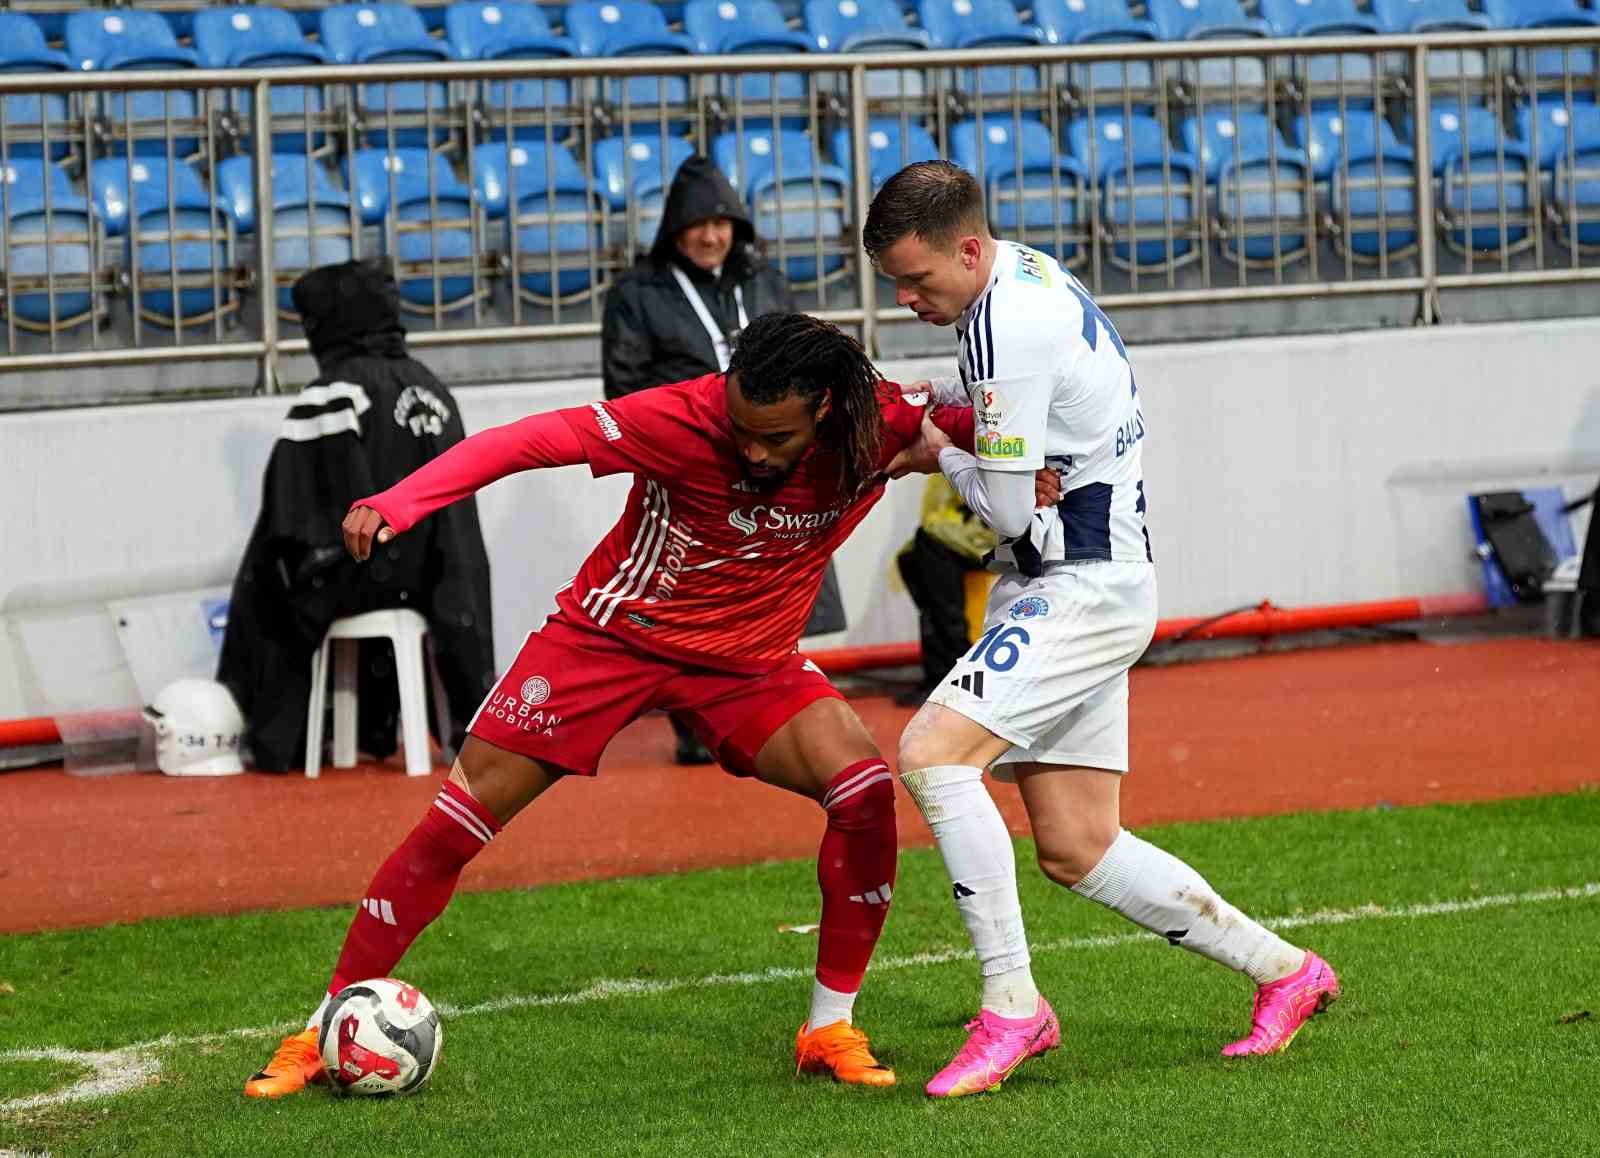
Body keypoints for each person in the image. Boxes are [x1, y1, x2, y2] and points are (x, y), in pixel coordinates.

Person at [242, 312, 1058, 1098]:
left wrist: (1034, 468)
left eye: (773, 437)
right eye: (740, 427)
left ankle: (827, 1030)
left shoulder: (881, 422)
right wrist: (403, 500)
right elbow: (525, 441)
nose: (750, 448)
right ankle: (316, 1034)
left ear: (824, 408)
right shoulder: (680, 417)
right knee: (454, 826)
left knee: (863, 795)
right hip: (611, 643)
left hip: (750, 663)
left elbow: (995, 417)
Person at [865, 161, 1341, 1098]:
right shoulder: (1023, 276)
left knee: (931, 753)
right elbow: (1027, 447)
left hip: (1077, 590)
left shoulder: (1006, 323)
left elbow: (1000, 513)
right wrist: (972, 436)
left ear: (967, 249)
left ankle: (1013, 1008)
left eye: (918, 279)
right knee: (1077, 845)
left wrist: (942, 449)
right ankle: (1288, 972)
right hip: (1073, 582)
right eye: (895, 284)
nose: (906, 299)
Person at [602, 156, 844, 764]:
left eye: (722, 222)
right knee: (691, 599)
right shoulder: (638, 293)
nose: (711, 236)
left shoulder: (763, 282)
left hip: (776, 464)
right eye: (697, 224)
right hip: (695, 473)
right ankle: (695, 721)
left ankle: (766, 710)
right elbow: (623, 389)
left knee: (773, 592)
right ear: (673, 228)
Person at [217, 259, 495, 772]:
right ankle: (435, 726)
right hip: (443, 579)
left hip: (370, 572)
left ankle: (277, 740)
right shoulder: (432, 387)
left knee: (268, 583)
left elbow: (296, 515)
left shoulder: (334, 392)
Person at [895, 475, 997, 706]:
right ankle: (940, 673)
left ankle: (953, 672)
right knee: (914, 557)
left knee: (930, 550)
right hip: (969, 535)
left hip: (995, 535)